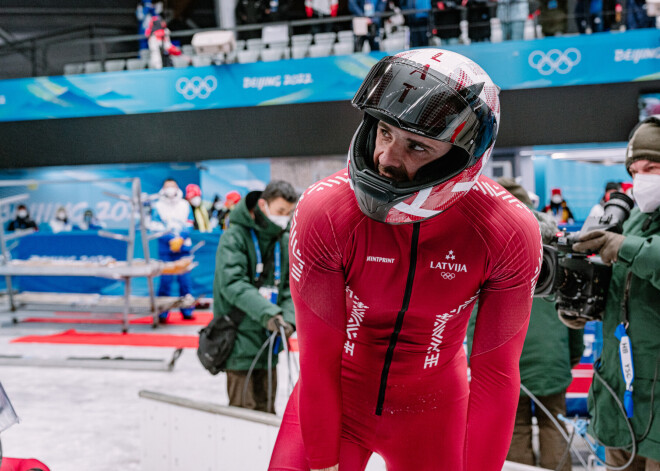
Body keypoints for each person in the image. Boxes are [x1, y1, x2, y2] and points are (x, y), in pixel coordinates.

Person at [268, 49, 542, 471]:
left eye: (416, 145)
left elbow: (497, 376)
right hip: (336, 399)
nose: (386, 159)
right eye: (384, 131)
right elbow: (318, 360)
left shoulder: (508, 230)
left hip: (434, 414)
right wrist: (322, 460)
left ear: (461, 158)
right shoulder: (324, 210)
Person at [467, 177, 584, 471]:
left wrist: (474, 360)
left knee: (514, 428)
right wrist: (571, 356)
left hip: (503, 362)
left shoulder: (487, 245)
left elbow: (473, 317)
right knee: (554, 424)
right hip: (552, 360)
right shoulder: (556, 248)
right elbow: (573, 307)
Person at [571, 115, 660, 470]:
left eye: (652, 167)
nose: (641, 180)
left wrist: (625, 247)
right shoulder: (637, 219)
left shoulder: (632, 233)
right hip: (620, 396)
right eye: (635, 170)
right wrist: (581, 306)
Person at [212, 180, 298, 413]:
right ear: (263, 204)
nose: (284, 218)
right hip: (239, 340)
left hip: (269, 342)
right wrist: (269, 313)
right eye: (280, 211)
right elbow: (232, 284)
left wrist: (288, 318)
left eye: (289, 213)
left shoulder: (283, 238)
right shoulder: (235, 237)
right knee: (243, 417)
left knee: (267, 412)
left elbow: (292, 286)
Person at [151, 178, 195, 322]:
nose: (170, 189)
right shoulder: (157, 206)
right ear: (163, 189)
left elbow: (189, 223)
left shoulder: (184, 205)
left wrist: (180, 238)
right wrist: (170, 239)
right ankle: (162, 313)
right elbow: (155, 225)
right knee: (165, 281)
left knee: (185, 281)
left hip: (183, 248)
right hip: (166, 248)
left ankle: (187, 311)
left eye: (173, 186)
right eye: (167, 186)